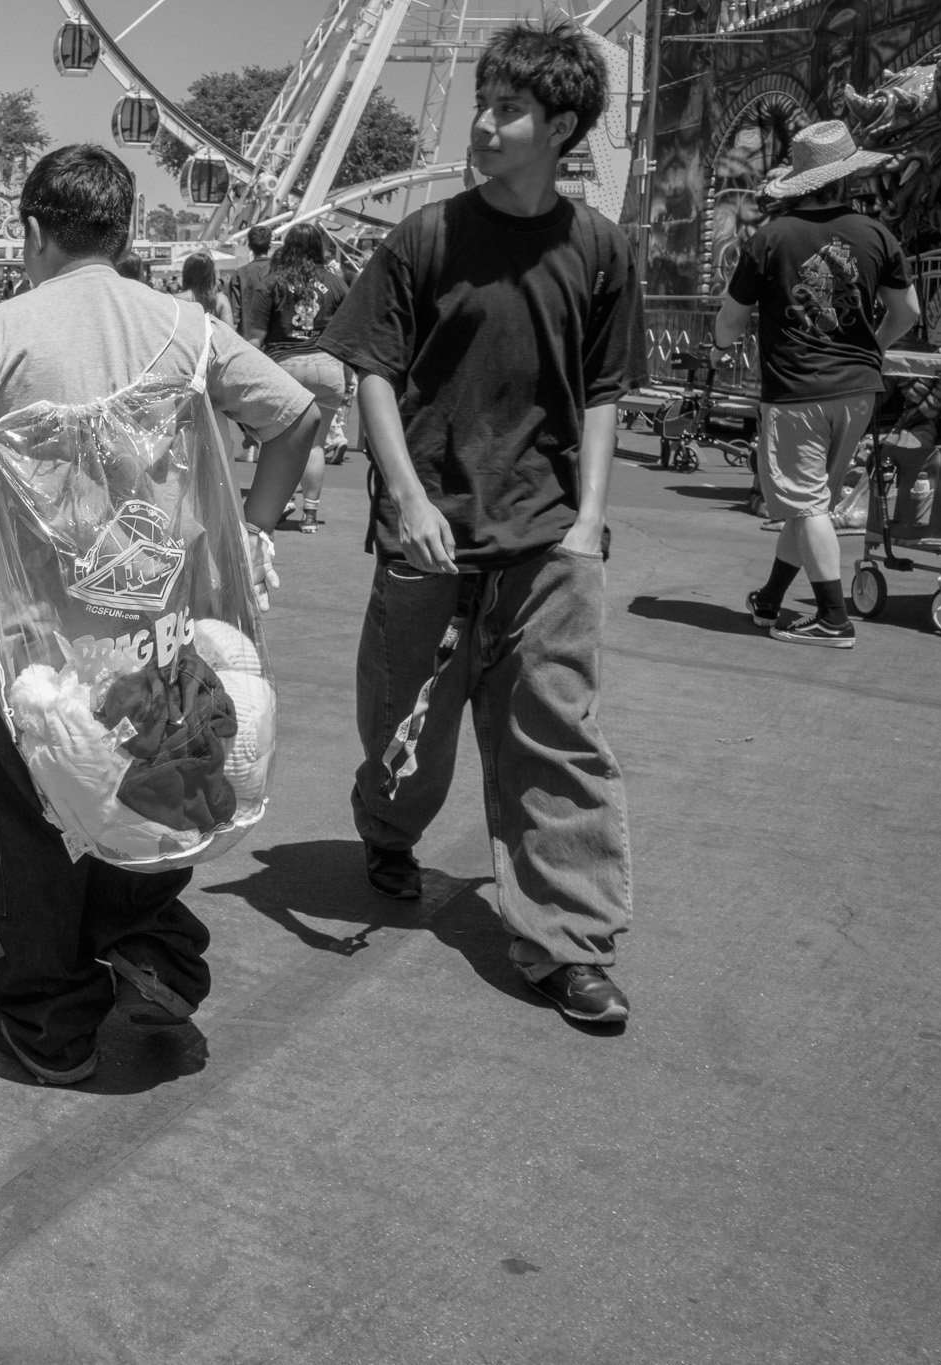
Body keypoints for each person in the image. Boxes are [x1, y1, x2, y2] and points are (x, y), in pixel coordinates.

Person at [0, 144, 318, 1085]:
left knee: (22, 830)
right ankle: (152, 949)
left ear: (33, 232)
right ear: (124, 236)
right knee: (152, 790)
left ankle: (53, 1028)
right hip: (158, 640)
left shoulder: (2, 332)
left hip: (27, 650)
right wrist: (252, 526)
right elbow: (295, 415)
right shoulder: (187, 325)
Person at [317, 21, 637, 1026]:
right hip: (428, 533)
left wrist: (586, 520)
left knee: (555, 736)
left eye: (507, 111)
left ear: (559, 128)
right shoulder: (424, 238)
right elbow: (366, 368)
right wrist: (404, 494)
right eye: (482, 105)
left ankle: (567, 943)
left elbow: (600, 392)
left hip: (546, 540)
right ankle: (385, 822)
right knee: (403, 731)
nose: (484, 126)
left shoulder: (597, 248)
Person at [715, 121, 920, 648]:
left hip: (797, 391)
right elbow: (908, 312)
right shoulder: (877, 234)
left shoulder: (771, 237)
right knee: (809, 505)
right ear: (845, 178)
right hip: (858, 391)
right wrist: (871, 346)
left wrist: (721, 344)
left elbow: (729, 322)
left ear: (802, 181)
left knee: (805, 506)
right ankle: (770, 599)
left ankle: (834, 618)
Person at [261, 223, 351, 533]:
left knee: (279, 443)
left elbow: (256, 336)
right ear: (319, 247)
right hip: (327, 366)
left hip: (285, 367)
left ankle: (275, 505)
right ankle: (310, 516)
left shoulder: (272, 282)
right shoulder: (337, 284)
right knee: (316, 445)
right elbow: (351, 335)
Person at [230, 222, 275, 346]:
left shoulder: (240, 274)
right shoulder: (282, 271)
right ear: (270, 245)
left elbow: (234, 316)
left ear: (249, 246)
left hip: (250, 343)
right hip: (278, 343)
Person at [178, 250, 232, 326]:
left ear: (186, 275)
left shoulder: (176, 300)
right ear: (211, 275)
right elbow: (229, 333)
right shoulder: (220, 300)